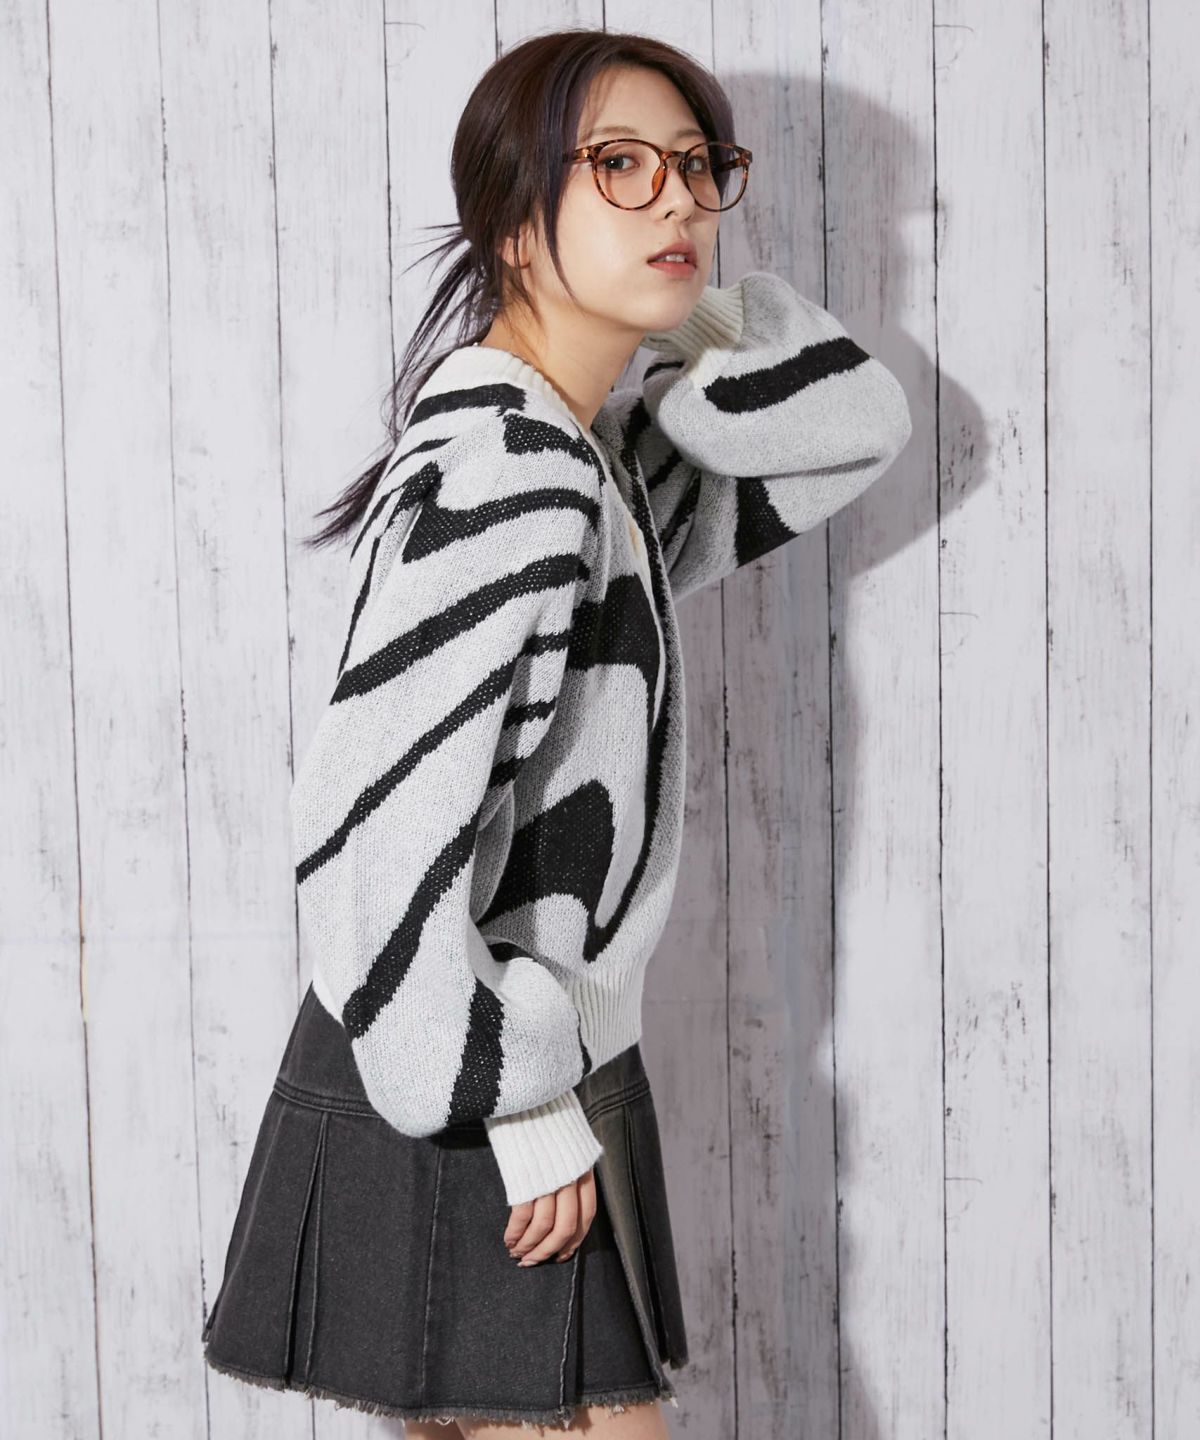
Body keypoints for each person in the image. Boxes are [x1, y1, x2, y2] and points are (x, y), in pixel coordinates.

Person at [200, 25, 912, 1438]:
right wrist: (513, 1101)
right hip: (470, 1072)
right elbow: (368, 829)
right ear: (515, 219)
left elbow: (849, 421)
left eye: (697, 167)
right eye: (620, 166)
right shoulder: (514, 474)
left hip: (500, 1059)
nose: (679, 200)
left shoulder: (588, 462)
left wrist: (685, 316)